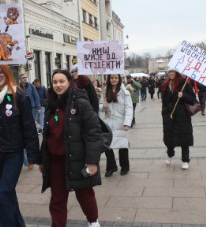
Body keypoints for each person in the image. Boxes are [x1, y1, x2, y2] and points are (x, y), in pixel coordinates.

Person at [0, 65, 41, 227]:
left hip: (14, 153)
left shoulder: (19, 96)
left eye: (0, 72)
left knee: (4, 192)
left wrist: (33, 157)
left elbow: (29, 129)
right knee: (8, 193)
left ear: (7, 73)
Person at [40, 69, 103, 227]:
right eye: (55, 82)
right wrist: (43, 159)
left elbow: (94, 132)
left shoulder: (80, 102)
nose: (58, 85)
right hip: (55, 161)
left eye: (62, 81)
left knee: (84, 194)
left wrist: (92, 161)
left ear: (69, 82)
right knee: (57, 199)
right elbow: (47, 135)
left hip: (78, 159)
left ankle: (93, 222)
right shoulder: (50, 104)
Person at [161, 69, 196, 170]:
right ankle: (170, 154)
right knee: (169, 137)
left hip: (182, 116)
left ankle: (185, 160)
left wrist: (183, 95)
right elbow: (164, 101)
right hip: (169, 115)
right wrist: (164, 112)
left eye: (173, 71)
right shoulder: (165, 84)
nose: (171, 73)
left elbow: (193, 98)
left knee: (184, 138)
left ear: (177, 73)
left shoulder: (184, 84)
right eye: (169, 72)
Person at [101, 74, 133, 177]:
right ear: (109, 79)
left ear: (119, 79)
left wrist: (127, 123)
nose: (113, 80)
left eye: (116, 78)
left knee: (123, 146)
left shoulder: (125, 92)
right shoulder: (105, 91)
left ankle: (125, 167)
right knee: (107, 146)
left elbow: (129, 108)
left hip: (121, 122)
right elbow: (101, 106)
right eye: (111, 78)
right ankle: (111, 167)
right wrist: (103, 106)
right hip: (109, 122)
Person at [19, 73, 41, 170]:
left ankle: (30, 160)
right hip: (21, 111)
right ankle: (27, 161)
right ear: (20, 79)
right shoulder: (17, 87)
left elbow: (36, 97)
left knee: (30, 131)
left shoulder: (31, 86)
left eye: (26, 77)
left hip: (32, 110)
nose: (25, 79)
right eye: (23, 78)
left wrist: (38, 107)